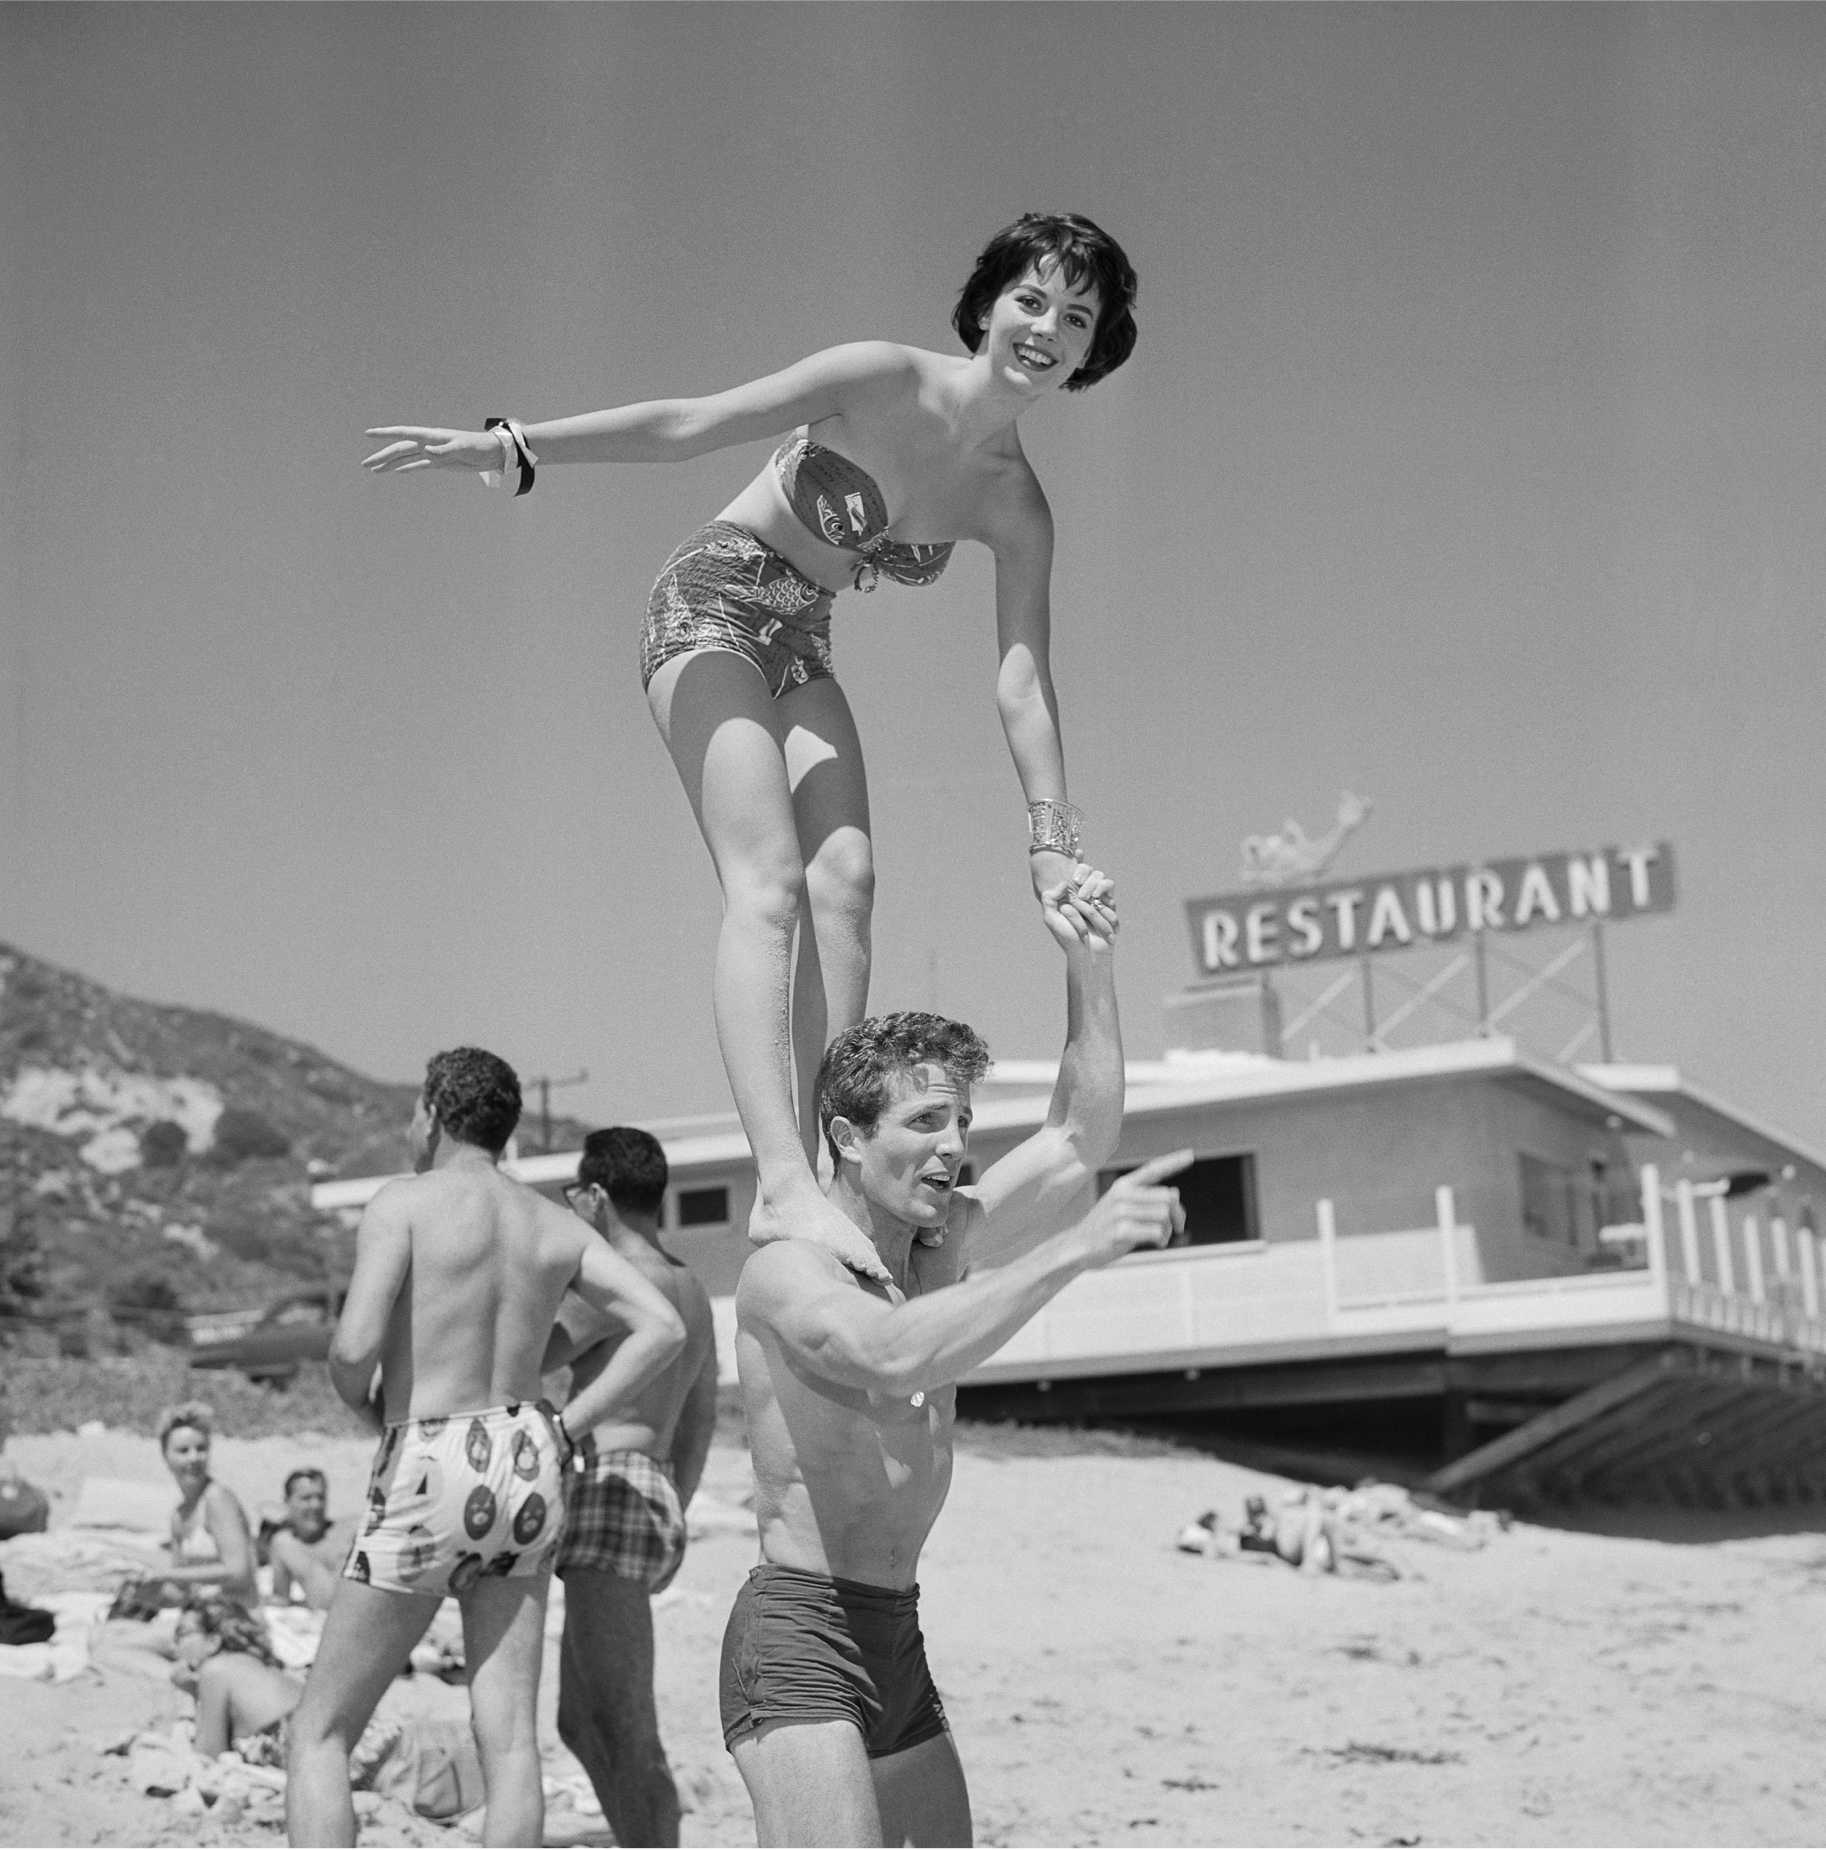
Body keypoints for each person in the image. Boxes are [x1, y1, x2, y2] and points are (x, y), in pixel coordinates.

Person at [361, 213, 1140, 1278]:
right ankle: (779, 1183)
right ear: (990, 302)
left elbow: (1021, 679)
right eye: (1032, 299)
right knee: (767, 882)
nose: (1047, 328)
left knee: (850, 881)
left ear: (1097, 349)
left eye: (1077, 316)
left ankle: (835, 1163)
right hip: (710, 598)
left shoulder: (1014, 503)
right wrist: (518, 444)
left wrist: (1049, 838)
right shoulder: (878, 377)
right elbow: (692, 421)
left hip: (800, 637)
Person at [723, 870, 1190, 1847]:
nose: (954, 1147)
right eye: (925, 1122)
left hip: (894, 1627)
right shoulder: (790, 1270)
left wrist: (1088, 966)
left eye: (962, 1122)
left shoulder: (946, 1243)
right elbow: (888, 1358)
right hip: (800, 1633)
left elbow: (1076, 1134)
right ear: (846, 1137)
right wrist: (1071, 1250)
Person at [284, 1047, 687, 1850]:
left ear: (433, 1113)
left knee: (319, 1732)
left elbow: (353, 1346)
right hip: (528, 1456)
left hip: (431, 1448)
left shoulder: (404, 1202)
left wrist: (367, 1408)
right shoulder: (552, 1222)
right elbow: (663, 1327)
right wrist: (565, 1427)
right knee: (508, 1743)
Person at [542, 1125, 719, 1848]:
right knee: (577, 1722)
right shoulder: (691, 1288)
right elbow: (701, 1418)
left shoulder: (609, 1283)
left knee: (623, 1724)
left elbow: (525, 1359)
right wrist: (677, 1508)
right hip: (652, 1492)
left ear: (596, 1195)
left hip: (607, 1489)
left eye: (571, 1196)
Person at [141, 1402, 260, 1610]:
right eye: (183, 1451)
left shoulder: (217, 1499)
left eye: (201, 1449)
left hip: (235, 1615)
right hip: (201, 1612)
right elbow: (181, 1587)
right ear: (165, 1456)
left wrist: (165, 1574)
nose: (194, 1458)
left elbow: (239, 1572)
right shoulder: (180, 1515)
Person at [265, 1468, 359, 1610]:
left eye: (320, 1497)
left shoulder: (349, 1531)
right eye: (306, 1498)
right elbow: (281, 1599)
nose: (316, 1505)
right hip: (322, 1622)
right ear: (287, 1501)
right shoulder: (283, 1545)